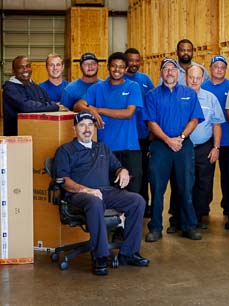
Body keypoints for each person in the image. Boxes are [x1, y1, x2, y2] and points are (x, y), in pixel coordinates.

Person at [53, 112, 149, 276]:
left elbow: (117, 167)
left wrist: (123, 171)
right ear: (74, 128)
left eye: (90, 125)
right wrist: (86, 190)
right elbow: (64, 181)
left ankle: (129, 253)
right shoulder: (65, 151)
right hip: (78, 195)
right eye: (82, 125)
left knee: (137, 201)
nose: (87, 129)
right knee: (95, 202)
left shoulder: (102, 148)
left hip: (105, 191)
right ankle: (100, 256)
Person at [143, 58, 204, 243]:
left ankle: (189, 226)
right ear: (161, 73)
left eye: (173, 69)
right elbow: (151, 122)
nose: (169, 72)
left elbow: (194, 119)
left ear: (179, 73)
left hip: (183, 145)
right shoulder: (152, 95)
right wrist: (168, 140)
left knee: (186, 187)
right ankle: (155, 227)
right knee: (157, 188)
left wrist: (181, 138)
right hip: (161, 146)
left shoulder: (189, 94)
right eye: (166, 69)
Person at [74, 52, 144, 194]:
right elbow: (77, 105)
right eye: (114, 66)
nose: (117, 70)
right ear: (108, 67)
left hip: (129, 147)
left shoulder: (133, 86)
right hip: (105, 149)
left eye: (121, 67)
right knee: (108, 190)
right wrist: (90, 110)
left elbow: (128, 113)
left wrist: (98, 109)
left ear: (125, 69)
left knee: (133, 190)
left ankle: (133, 217)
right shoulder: (97, 88)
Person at [185, 65, 225, 230]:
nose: (194, 81)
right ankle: (179, 216)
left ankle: (199, 215)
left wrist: (216, 147)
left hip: (204, 146)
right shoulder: (179, 96)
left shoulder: (210, 98)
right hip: (183, 146)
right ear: (186, 78)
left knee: (204, 182)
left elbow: (216, 125)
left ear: (203, 79)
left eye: (198, 78)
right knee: (183, 181)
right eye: (191, 77)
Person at [201, 55, 229, 229]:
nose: (219, 69)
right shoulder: (202, 85)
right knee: (205, 177)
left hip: (228, 140)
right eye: (216, 66)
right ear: (210, 68)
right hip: (207, 140)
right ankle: (202, 209)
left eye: (223, 66)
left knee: (228, 177)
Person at [123, 48, 155, 209]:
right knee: (126, 171)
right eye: (131, 60)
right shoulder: (117, 79)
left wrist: (151, 131)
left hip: (143, 134)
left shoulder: (145, 79)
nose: (134, 63)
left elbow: (153, 103)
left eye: (137, 60)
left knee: (143, 172)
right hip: (125, 135)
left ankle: (144, 205)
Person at [2, 56, 66, 135]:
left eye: (28, 66)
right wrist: (55, 106)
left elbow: (48, 109)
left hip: (38, 136)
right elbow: (25, 106)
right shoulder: (10, 89)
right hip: (16, 139)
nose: (25, 70)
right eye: (20, 67)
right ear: (13, 71)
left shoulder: (39, 89)